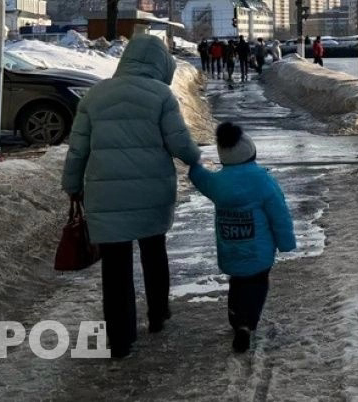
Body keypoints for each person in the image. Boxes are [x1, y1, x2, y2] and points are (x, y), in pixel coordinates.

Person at [62, 34, 201, 359]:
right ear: (159, 65)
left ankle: (120, 338)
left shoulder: (95, 96)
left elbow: (78, 148)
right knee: (154, 252)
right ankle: (157, 314)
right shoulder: (161, 95)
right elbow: (179, 143)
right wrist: (197, 160)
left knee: (115, 266)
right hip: (152, 191)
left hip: (105, 193)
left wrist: (72, 184)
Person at [188, 122, 296, 353]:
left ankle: (235, 318)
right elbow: (279, 214)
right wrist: (286, 242)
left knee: (237, 282)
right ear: (251, 152)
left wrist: (194, 165)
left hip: (230, 249)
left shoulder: (218, 182)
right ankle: (247, 324)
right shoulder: (262, 180)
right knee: (257, 284)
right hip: (259, 252)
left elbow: (200, 178)